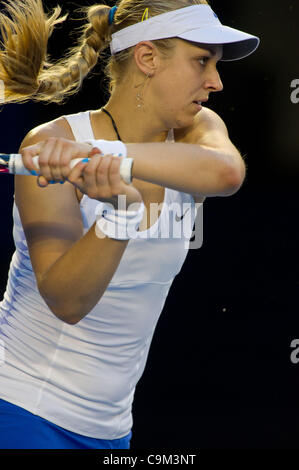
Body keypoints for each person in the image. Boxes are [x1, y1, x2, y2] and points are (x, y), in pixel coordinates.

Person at [0, 0, 259, 449]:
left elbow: (227, 174)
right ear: (147, 58)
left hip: (114, 431)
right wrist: (120, 212)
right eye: (202, 61)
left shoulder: (199, 130)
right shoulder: (52, 142)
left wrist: (105, 158)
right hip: (21, 409)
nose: (215, 82)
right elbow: (68, 300)